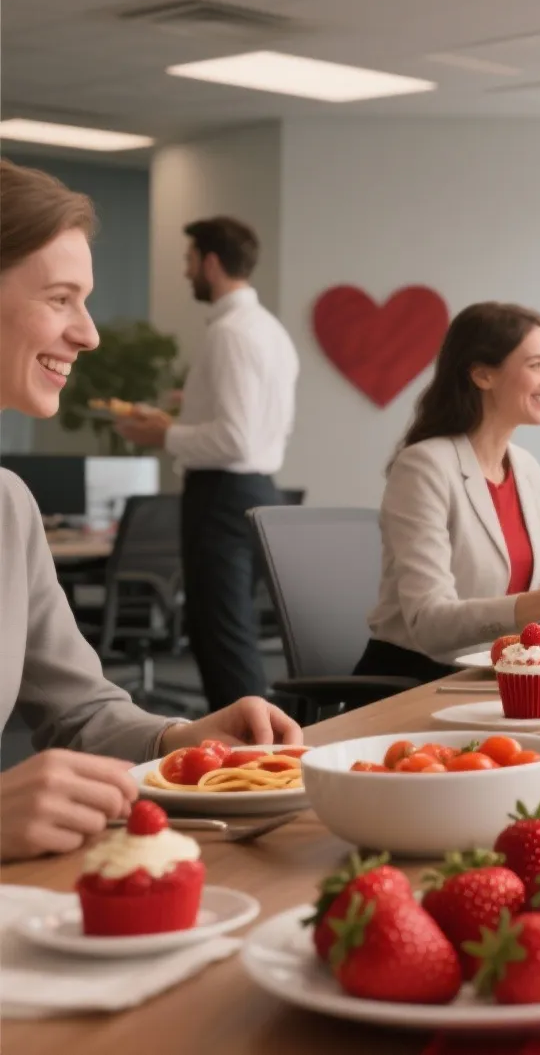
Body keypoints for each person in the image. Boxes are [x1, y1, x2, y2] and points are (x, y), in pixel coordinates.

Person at [0, 160, 300, 862]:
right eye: (61, 298)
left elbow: (81, 710)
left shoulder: (10, 507)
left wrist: (178, 740)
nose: (89, 333)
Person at [357, 302, 540, 683]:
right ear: (483, 375)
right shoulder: (424, 466)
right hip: (417, 680)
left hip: (499, 675)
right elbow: (430, 623)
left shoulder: (525, 469)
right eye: (536, 365)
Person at [115, 216, 298, 711]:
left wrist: (164, 433)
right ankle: (253, 753)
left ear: (212, 263)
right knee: (227, 629)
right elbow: (254, 427)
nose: (185, 271)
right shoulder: (269, 331)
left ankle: (247, 761)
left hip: (222, 496)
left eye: (189, 260)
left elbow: (235, 439)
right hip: (255, 490)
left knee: (220, 633)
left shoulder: (230, 334)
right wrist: (187, 410)